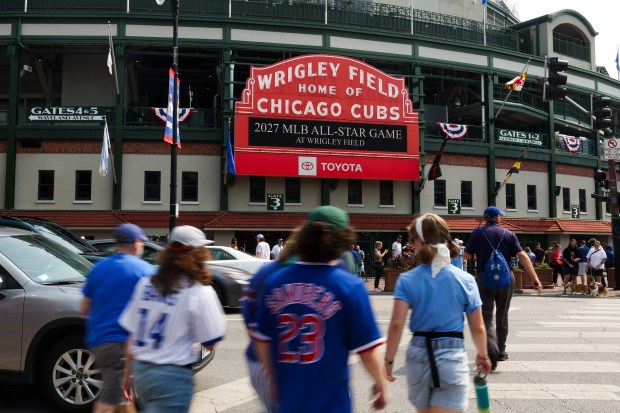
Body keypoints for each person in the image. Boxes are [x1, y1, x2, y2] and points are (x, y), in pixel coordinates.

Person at [252, 206, 388, 413]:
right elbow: (367, 349)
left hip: (289, 400)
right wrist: (380, 382)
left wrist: (272, 380)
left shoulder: (276, 281)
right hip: (331, 402)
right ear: (342, 240)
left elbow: (261, 340)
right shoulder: (348, 286)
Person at [384, 213, 491, 413]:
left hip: (418, 355)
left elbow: (396, 324)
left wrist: (388, 360)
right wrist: (483, 355)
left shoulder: (407, 280)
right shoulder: (465, 280)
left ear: (418, 240)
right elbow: (478, 327)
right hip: (451, 355)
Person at [119, 225, 226, 412]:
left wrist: (128, 373)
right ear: (198, 254)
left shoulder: (146, 284)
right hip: (172, 376)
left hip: (142, 371)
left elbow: (131, 335)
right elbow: (210, 342)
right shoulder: (198, 290)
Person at [80, 223, 156, 413]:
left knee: (122, 396)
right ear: (136, 243)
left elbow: (83, 309)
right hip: (122, 346)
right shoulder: (146, 271)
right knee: (109, 400)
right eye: (142, 243)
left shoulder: (98, 268)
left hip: (98, 342)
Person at [464, 206, 542, 369]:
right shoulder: (509, 234)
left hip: (484, 278)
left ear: (486, 218)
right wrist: (534, 278)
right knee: (502, 314)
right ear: (497, 217)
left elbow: (466, 256)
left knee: (485, 315)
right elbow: (522, 255)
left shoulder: (477, 233)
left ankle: (489, 349)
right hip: (506, 279)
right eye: (501, 216)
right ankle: (501, 351)